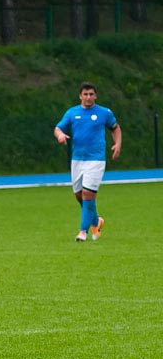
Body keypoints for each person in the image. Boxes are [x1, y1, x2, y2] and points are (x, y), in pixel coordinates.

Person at [54, 82, 121, 242]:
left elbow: (115, 128)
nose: (88, 97)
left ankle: (82, 232)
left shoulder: (104, 113)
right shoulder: (72, 113)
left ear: (95, 96)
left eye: (91, 94)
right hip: (77, 159)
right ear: (80, 96)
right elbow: (58, 128)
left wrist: (117, 143)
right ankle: (96, 222)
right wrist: (60, 135)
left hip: (96, 160)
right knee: (79, 196)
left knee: (87, 194)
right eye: (85, 94)